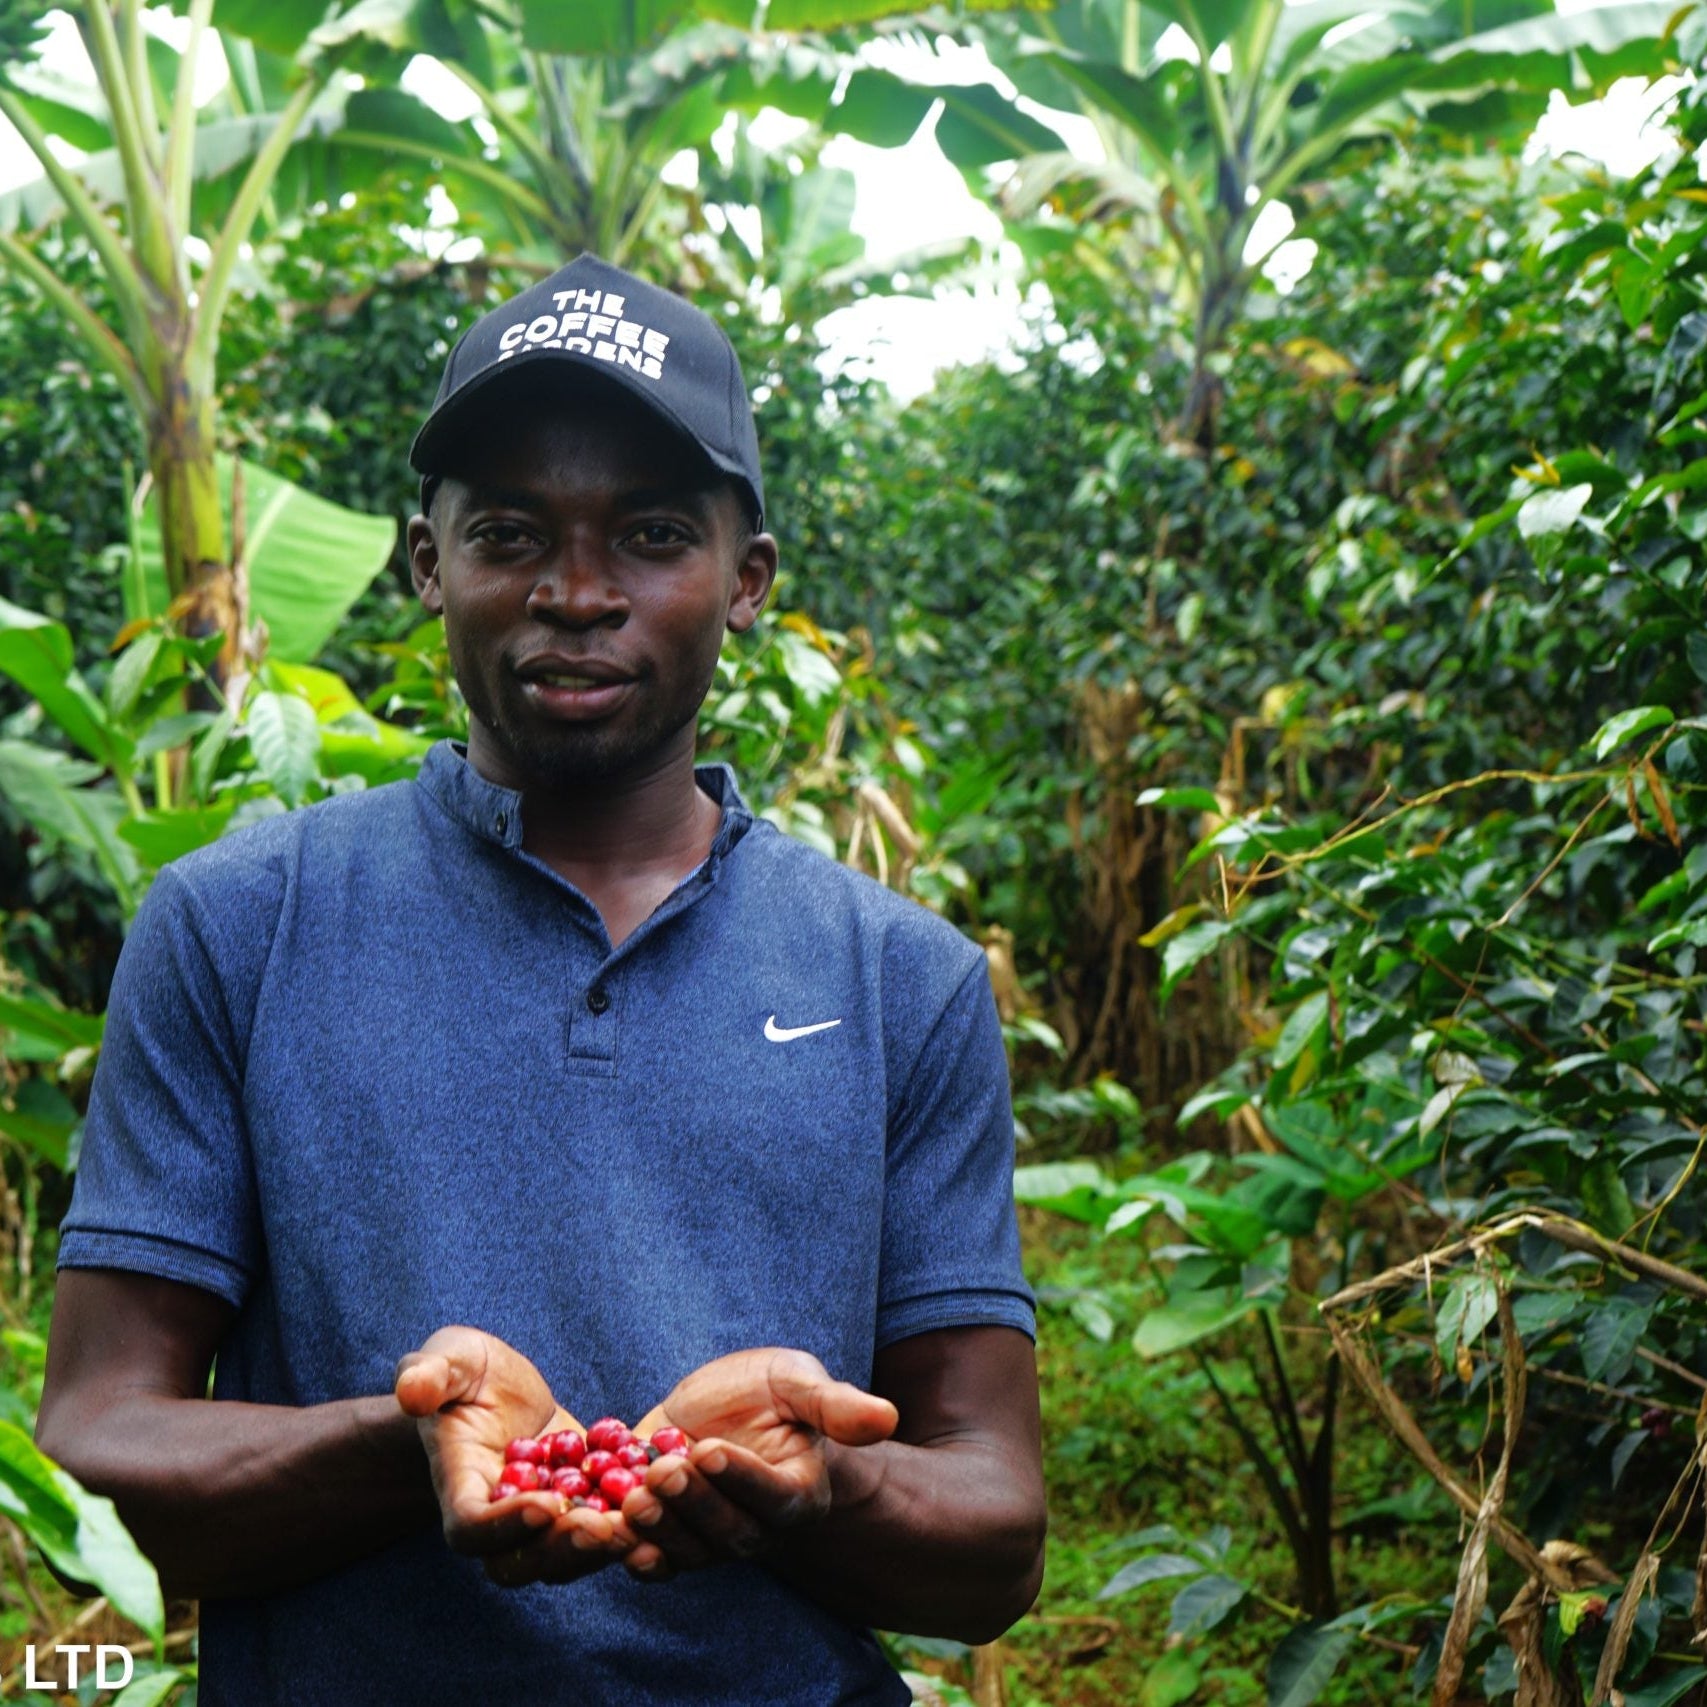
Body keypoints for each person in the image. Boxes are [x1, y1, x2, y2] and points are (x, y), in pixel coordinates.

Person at [36, 255, 1046, 1705]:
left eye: (648, 533)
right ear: (428, 562)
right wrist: (407, 1448)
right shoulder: (237, 927)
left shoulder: (904, 982)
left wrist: (820, 1489)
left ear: (747, 578)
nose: (576, 593)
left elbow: (998, 1535)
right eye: (512, 532)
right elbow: (99, 1437)